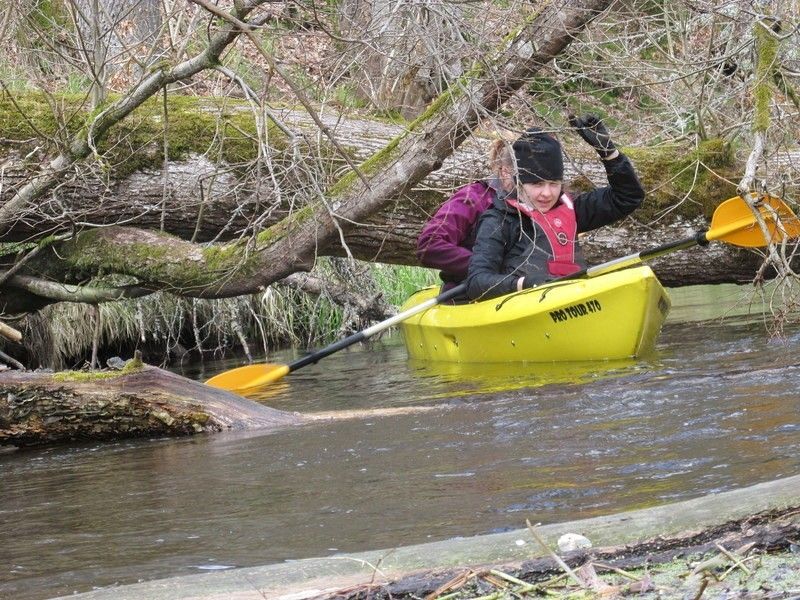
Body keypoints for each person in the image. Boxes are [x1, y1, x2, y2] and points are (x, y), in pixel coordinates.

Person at [465, 114, 645, 300]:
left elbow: (628, 196)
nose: (547, 193)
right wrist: (523, 283)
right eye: (537, 184)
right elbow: (477, 282)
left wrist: (609, 153)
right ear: (518, 183)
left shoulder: (572, 209)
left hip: (570, 303)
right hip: (522, 308)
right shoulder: (498, 220)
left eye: (553, 183)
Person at [416, 135, 517, 291]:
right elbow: (429, 245)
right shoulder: (473, 198)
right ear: (505, 172)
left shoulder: (542, 199)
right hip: (467, 292)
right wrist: (483, 266)